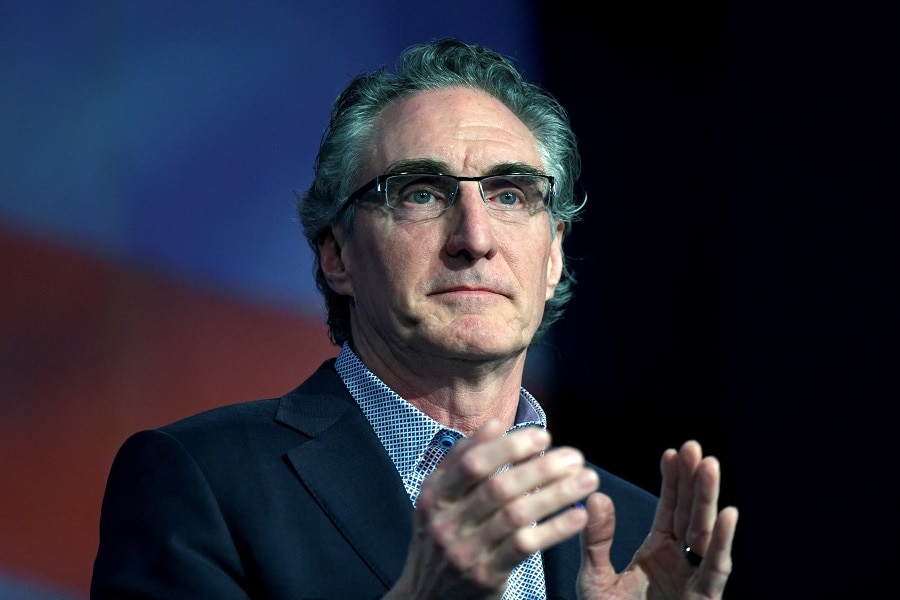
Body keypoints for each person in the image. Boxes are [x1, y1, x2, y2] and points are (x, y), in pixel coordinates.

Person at [91, 38, 738, 599]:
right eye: (421, 193)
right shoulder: (200, 480)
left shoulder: (634, 532)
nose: (475, 238)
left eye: (510, 194)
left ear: (553, 256)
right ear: (338, 254)